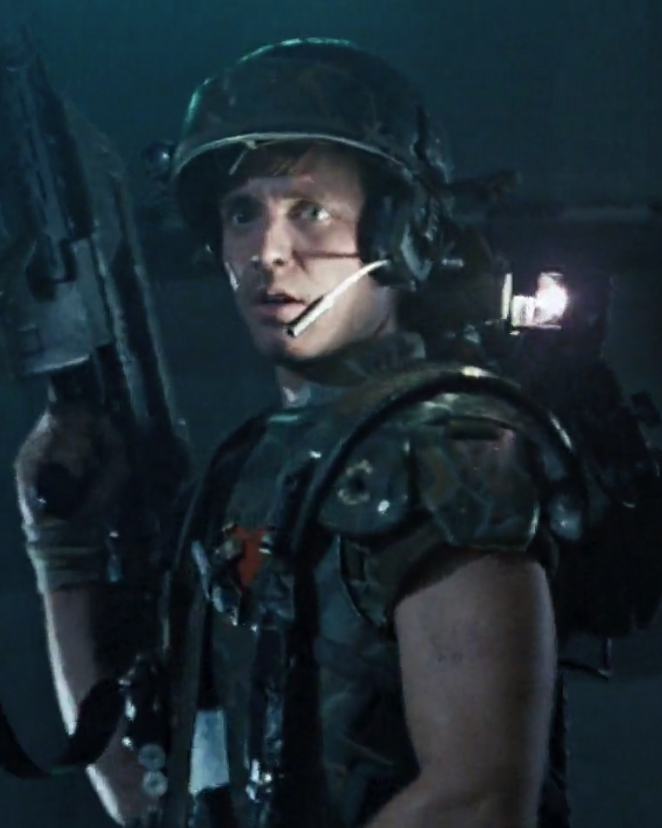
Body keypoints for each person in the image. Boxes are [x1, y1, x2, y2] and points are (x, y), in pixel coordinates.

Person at [14, 38, 580, 828]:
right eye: (242, 213)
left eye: (308, 211)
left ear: (398, 230)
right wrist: (63, 549)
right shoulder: (254, 467)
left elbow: (478, 799)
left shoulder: (445, 447)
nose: (266, 253)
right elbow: (152, 793)